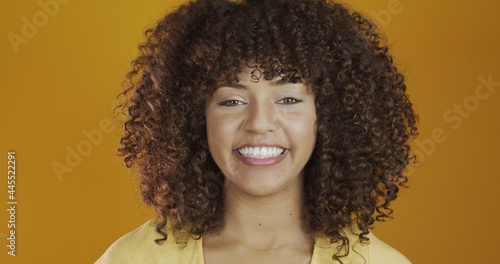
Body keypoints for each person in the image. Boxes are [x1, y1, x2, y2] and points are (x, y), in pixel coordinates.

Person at [96, 0, 418, 263]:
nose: (260, 123)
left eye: (289, 98)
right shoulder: (133, 259)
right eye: (232, 100)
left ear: (327, 117)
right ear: (196, 118)